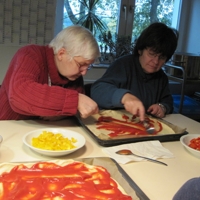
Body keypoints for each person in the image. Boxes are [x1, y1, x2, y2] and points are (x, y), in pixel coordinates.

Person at [0, 25, 100, 120]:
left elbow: (77, 112)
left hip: (43, 131)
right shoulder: (30, 54)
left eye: (89, 66)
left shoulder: (74, 75)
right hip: (7, 125)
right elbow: (19, 95)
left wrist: (60, 113)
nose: (84, 72)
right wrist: (75, 100)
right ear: (61, 53)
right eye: (81, 64)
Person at [91, 22, 178, 122]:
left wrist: (162, 107)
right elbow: (97, 89)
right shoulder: (123, 65)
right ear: (140, 50)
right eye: (151, 54)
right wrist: (124, 97)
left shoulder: (161, 77)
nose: (156, 61)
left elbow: (168, 101)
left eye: (162, 57)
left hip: (142, 127)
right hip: (113, 124)